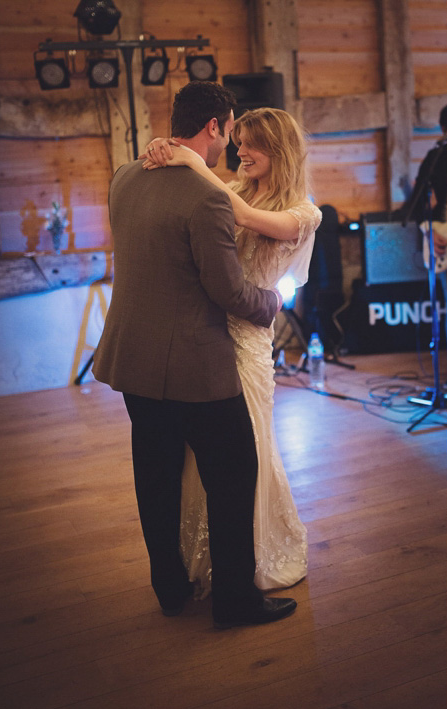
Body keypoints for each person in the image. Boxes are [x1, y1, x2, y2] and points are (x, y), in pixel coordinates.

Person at [92, 81, 298, 628]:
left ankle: (170, 589)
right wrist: (270, 302)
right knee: (234, 474)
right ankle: (234, 601)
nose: (230, 142)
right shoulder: (206, 196)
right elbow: (228, 291)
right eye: (230, 131)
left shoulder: (125, 176)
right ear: (216, 126)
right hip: (193, 363)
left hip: (131, 358)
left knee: (154, 475)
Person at [142, 106, 322, 596]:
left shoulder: (304, 212)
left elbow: (241, 218)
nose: (240, 151)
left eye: (251, 143)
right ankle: (204, 557)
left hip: (247, 341)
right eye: (237, 140)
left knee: (249, 448)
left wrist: (192, 162)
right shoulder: (235, 188)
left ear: (279, 149)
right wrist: (168, 151)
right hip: (204, 334)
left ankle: (254, 559)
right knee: (202, 457)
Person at [406, 102, 447, 372]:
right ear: (444, 128)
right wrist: (429, 229)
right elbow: (416, 204)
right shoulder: (435, 158)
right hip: (445, 237)